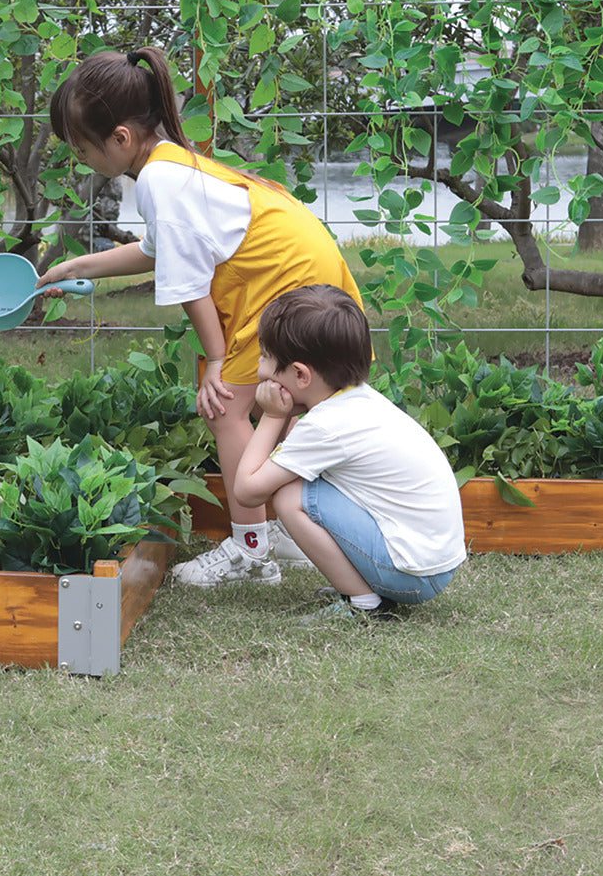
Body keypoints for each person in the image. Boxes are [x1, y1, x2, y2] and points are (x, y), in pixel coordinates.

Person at [37, 46, 364, 587]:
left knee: (224, 409)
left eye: (83, 149)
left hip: (284, 279)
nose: (82, 161)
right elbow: (159, 249)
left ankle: (249, 551)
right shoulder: (165, 162)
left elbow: (189, 283)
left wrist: (217, 359)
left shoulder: (160, 182)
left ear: (119, 138)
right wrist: (79, 265)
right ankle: (276, 530)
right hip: (301, 266)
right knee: (274, 403)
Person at [234, 284, 466, 620]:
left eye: (266, 357)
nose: (259, 369)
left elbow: (247, 491)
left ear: (300, 375)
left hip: (413, 574)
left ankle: (365, 604)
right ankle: (365, 583)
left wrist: (272, 415)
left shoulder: (327, 425)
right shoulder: (355, 402)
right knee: (299, 488)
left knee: (289, 497)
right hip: (428, 564)